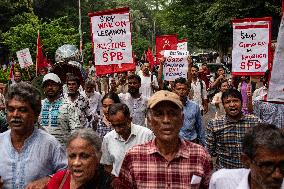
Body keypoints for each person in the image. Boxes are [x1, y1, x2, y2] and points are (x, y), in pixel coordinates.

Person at [118, 90, 213, 188]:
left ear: (182, 119)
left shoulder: (200, 156)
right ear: (149, 121)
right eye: (159, 114)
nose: (166, 120)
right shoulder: (133, 157)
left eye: (172, 113)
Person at [0, 82, 67, 189]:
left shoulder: (49, 143)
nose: (15, 115)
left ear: (35, 114)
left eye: (22, 110)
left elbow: (68, 173)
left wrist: (49, 179)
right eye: (11, 109)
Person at [209, 123, 284, 189]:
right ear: (246, 161)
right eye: (267, 166)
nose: (277, 175)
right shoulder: (221, 182)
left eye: (283, 165)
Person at [206, 88, 261, 169]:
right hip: (225, 174)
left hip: (248, 174)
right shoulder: (214, 124)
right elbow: (209, 151)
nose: (232, 104)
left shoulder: (255, 122)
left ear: (242, 103)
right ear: (223, 105)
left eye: (235, 101)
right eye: (227, 102)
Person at [46, 128, 113, 189]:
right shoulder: (60, 179)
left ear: (98, 157)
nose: (76, 163)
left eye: (84, 156)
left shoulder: (110, 184)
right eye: (72, 156)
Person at [100, 103, 153, 177]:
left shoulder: (147, 135)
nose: (117, 130)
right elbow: (108, 166)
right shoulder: (108, 139)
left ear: (129, 120)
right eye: (114, 125)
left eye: (120, 125)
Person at [40, 73, 81, 145]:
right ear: (43, 88)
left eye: (53, 84)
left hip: (62, 151)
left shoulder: (69, 105)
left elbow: (76, 131)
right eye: (47, 85)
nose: (50, 87)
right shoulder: (39, 105)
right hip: (42, 151)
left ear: (59, 87)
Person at [173, 77, 205, 146]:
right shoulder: (169, 106)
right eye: (178, 89)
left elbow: (200, 127)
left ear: (188, 90)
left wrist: (203, 145)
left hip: (191, 143)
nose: (181, 92)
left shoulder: (195, 106)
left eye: (184, 89)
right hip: (174, 145)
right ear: (174, 90)